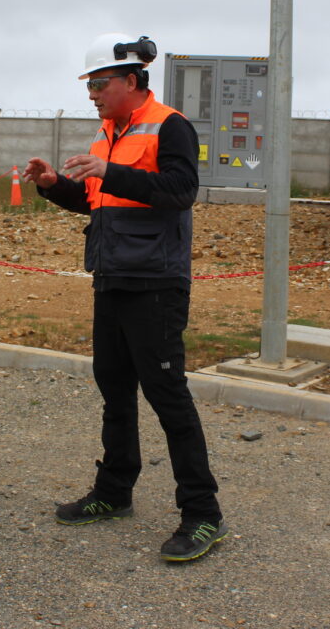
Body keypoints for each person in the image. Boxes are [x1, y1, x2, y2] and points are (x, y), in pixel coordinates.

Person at [23, 33, 228, 563]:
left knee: (167, 397)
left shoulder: (171, 126)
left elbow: (180, 192)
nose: (92, 92)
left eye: (100, 83)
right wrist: (53, 186)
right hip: (111, 278)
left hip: (156, 285)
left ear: (132, 81)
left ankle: (203, 515)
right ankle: (114, 493)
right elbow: (99, 203)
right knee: (114, 390)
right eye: (89, 84)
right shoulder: (106, 133)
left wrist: (113, 171)